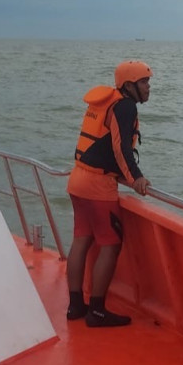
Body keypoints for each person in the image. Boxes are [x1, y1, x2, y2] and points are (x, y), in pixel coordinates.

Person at [65, 60, 153, 328]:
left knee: (81, 240)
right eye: (144, 82)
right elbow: (120, 149)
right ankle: (97, 311)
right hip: (97, 186)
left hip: (77, 179)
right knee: (111, 245)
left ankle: (75, 305)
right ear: (129, 85)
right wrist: (136, 177)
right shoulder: (124, 106)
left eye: (148, 82)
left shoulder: (106, 101)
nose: (149, 88)